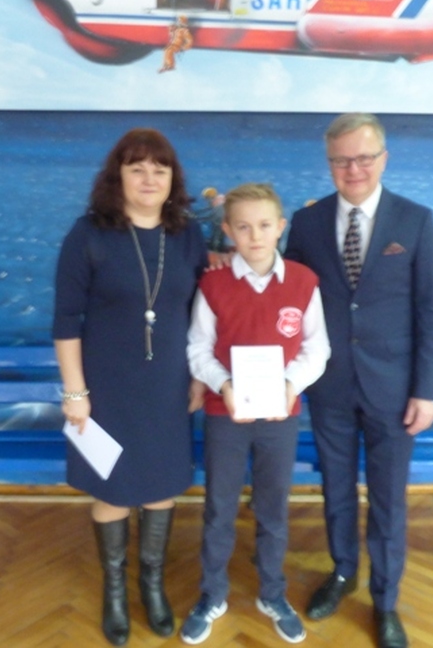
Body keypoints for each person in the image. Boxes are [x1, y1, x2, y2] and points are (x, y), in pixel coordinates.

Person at [283, 114, 433, 648]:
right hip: (328, 385)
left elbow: (430, 310)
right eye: (341, 160)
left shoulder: (415, 220)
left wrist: (426, 391)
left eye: (363, 157)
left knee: (388, 499)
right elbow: (287, 297)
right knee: (335, 488)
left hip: (394, 390)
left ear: (383, 159)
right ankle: (343, 572)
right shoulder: (306, 224)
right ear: (329, 163)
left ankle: (386, 600)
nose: (353, 169)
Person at [54, 128, 208, 646]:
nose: (148, 179)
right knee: (113, 488)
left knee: (162, 487)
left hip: (168, 386)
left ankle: (153, 585)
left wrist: (198, 377)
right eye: (136, 168)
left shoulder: (187, 236)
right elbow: (66, 320)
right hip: (107, 388)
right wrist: (75, 392)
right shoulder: (88, 234)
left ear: (172, 180)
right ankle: (115, 592)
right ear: (116, 175)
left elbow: (202, 314)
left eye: (159, 170)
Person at [182, 183, 330, 645]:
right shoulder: (213, 284)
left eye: (264, 225)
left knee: (273, 509)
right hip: (224, 414)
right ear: (228, 231)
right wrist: (224, 385)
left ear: (280, 227)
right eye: (243, 227)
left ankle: (272, 593)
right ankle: (212, 595)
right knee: (219, 508)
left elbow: (317, 349)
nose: (255, 236)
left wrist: (289, 386)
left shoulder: (304, 282)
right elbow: (198, 348)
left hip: (281, 416)